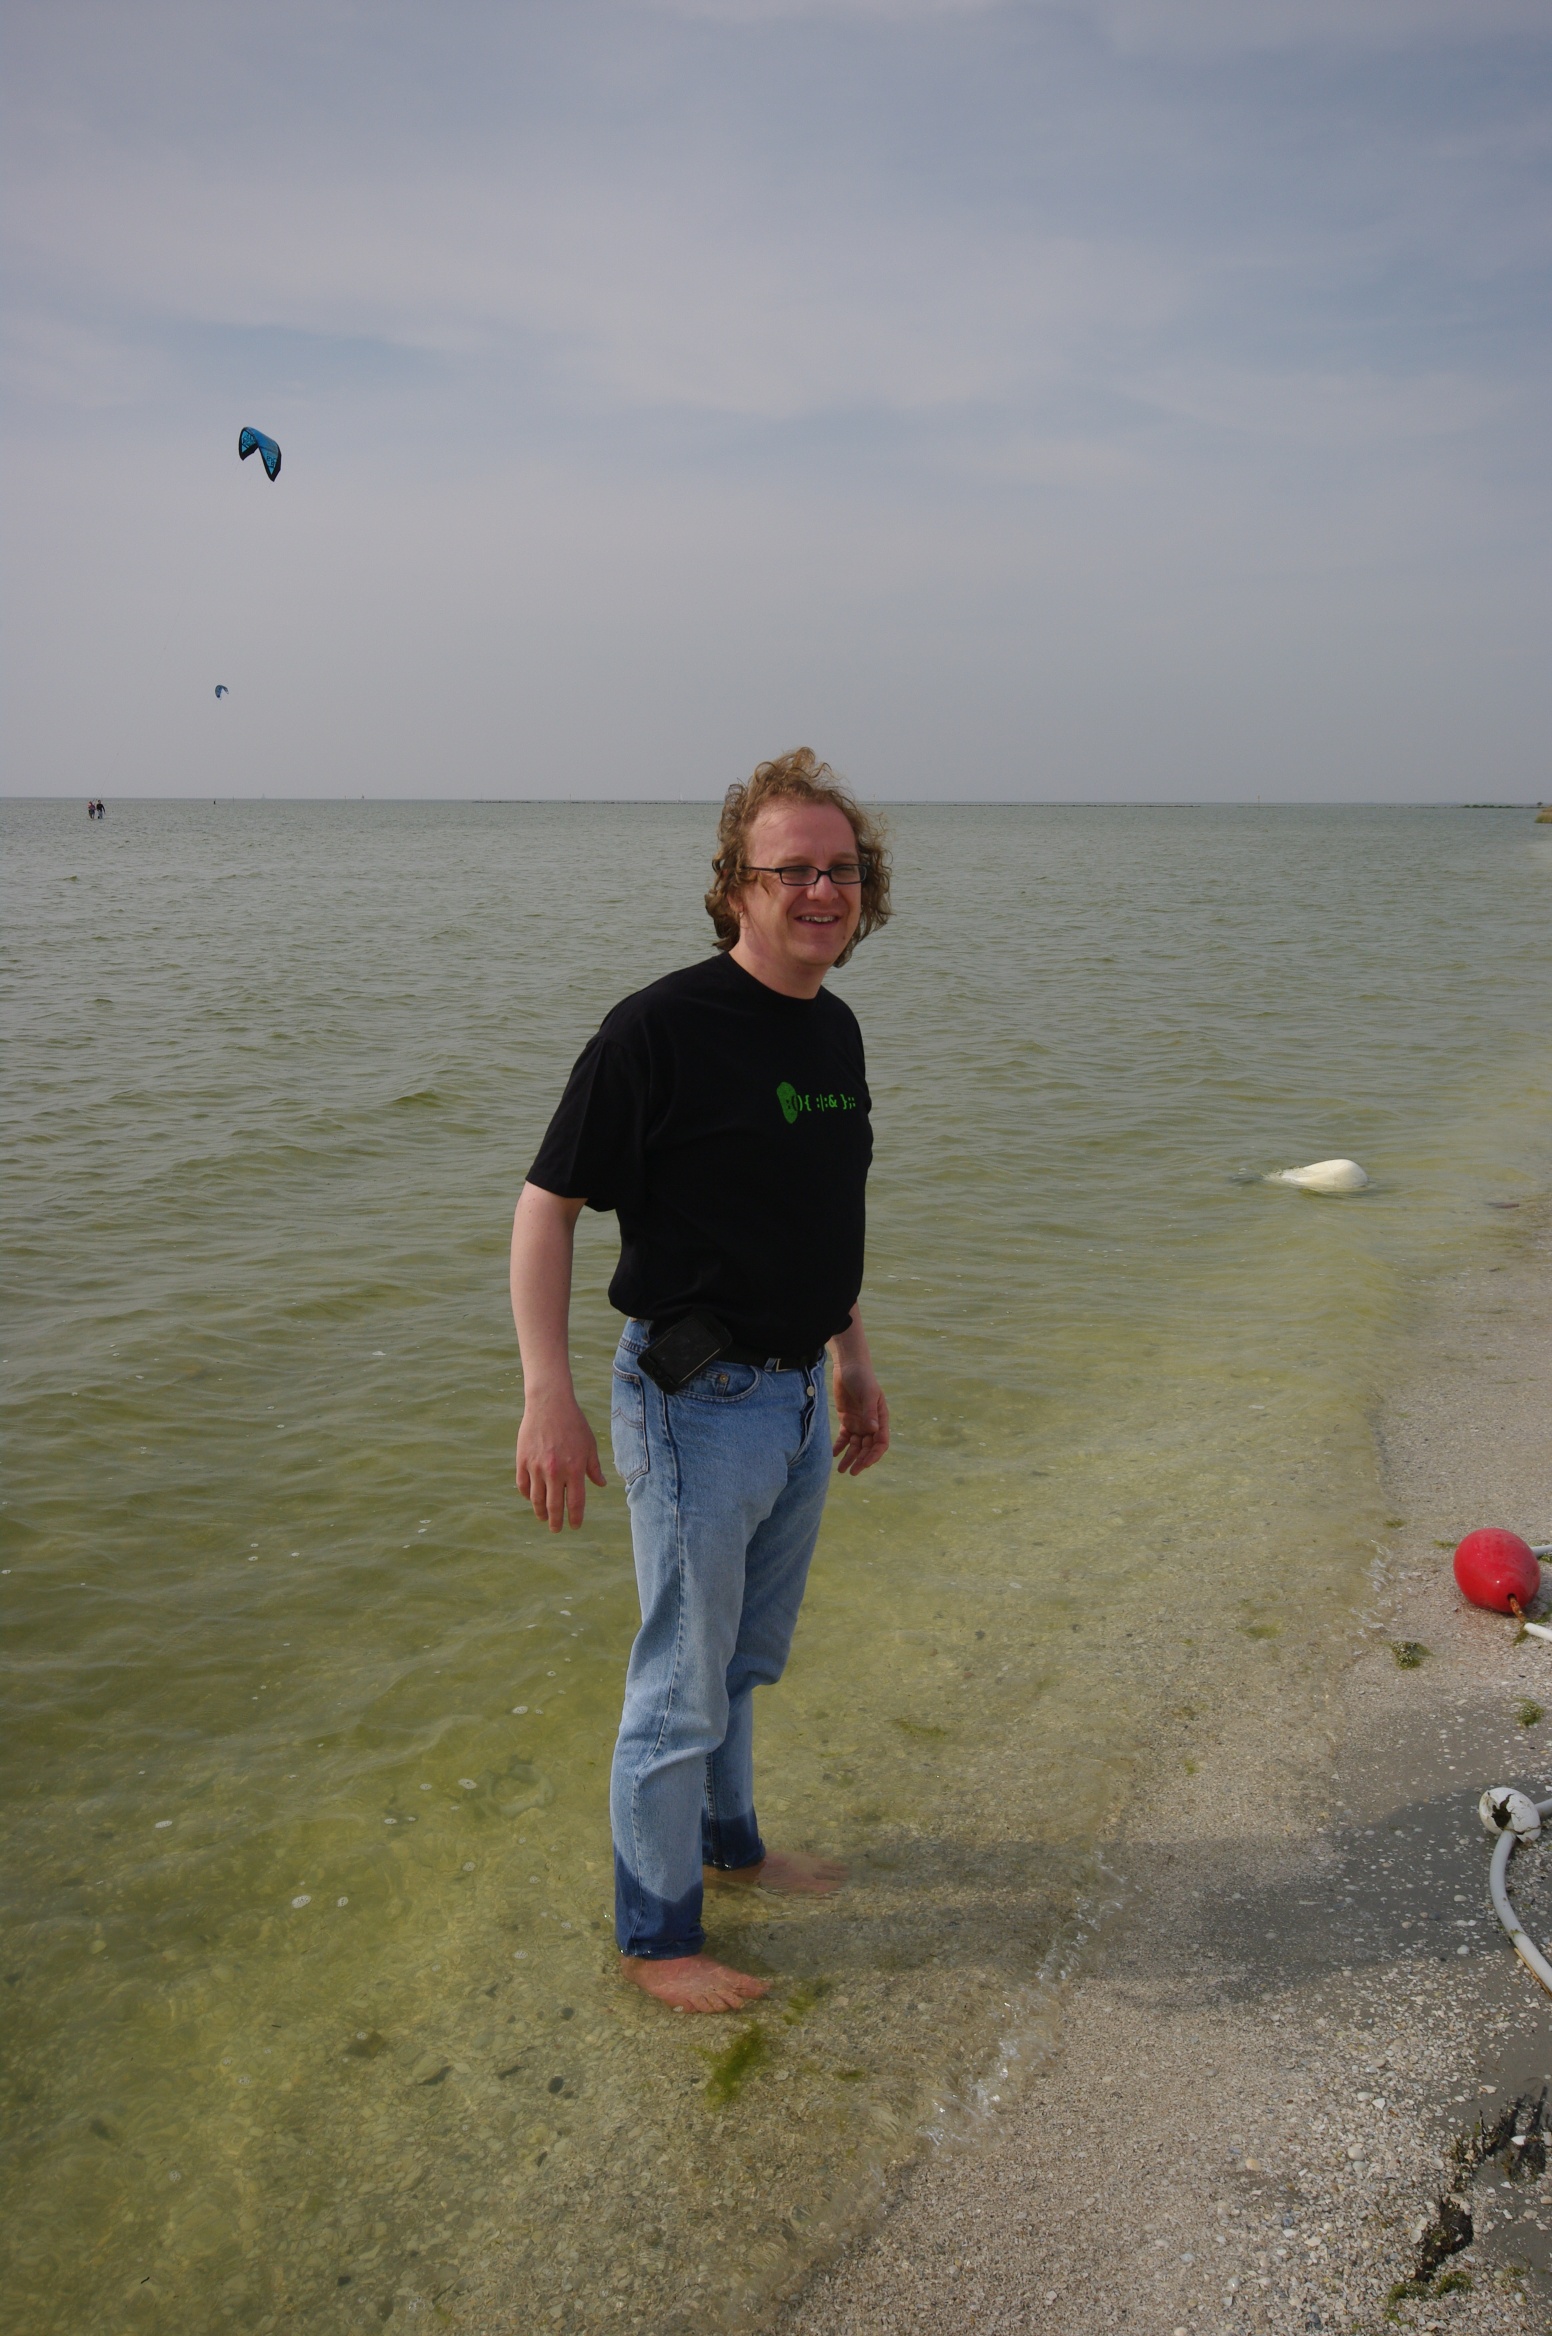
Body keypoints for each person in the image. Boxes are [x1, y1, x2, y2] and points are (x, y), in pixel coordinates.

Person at [510, 749, 892, 2014]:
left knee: (737, 1662)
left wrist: (851, 1358)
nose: (821, 890)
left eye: (840, 868)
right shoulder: (656, 1029)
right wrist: (547, 1392)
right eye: (793, 869)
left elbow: (818, 1212)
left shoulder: (833, 1026)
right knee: (677, 1682)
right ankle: (654, 1935)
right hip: (692, 1403)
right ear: (736, 885)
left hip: (794, 1398)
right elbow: (546, 1204)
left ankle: (731, 1848)